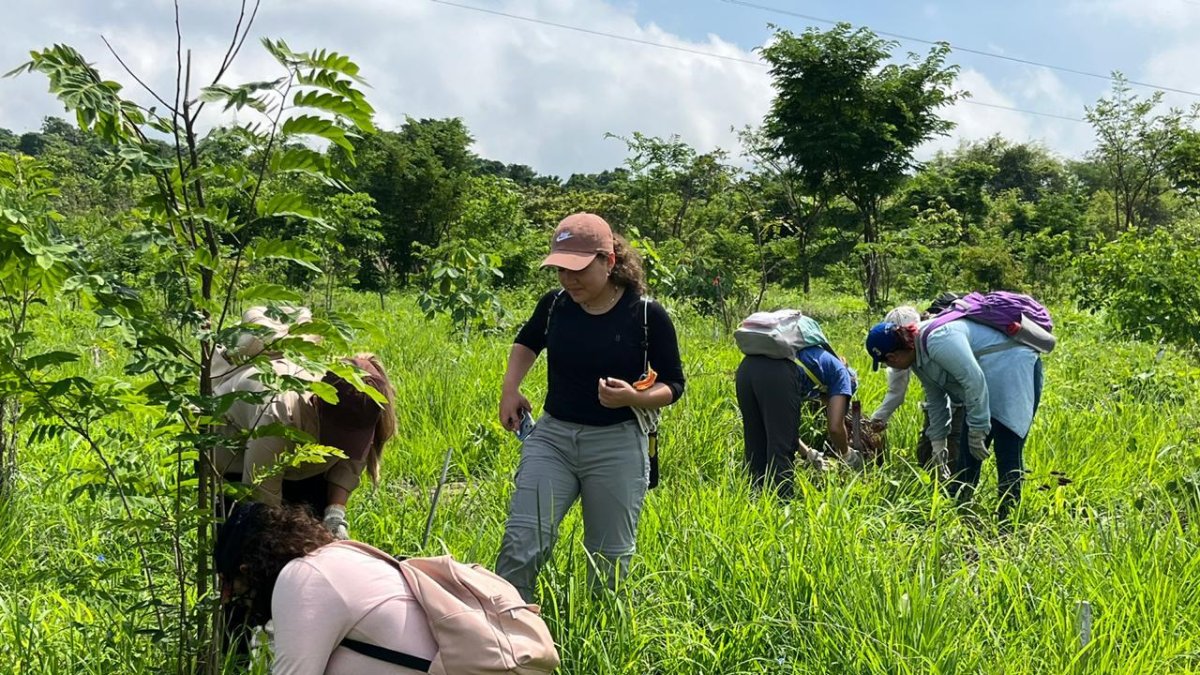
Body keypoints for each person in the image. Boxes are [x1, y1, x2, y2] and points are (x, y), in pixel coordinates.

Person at [496, 212, 685, 601]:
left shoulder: (646, 314)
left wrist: (635, 397)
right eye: (561, 269)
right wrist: (510, 388)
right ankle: (506, 636)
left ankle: (598, 643)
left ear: (609, 262)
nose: (568, 279)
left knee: (608, 563)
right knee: (522, 542)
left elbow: (673, 384)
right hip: (553, 439)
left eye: (578, 269)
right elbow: (527, 341)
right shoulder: (555, 305)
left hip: (617, 444)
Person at [211, 306, 397, 539]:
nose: (341, 446)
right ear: (318, 406)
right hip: (238, 461)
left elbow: (352, 455)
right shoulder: (277, 412)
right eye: (337, 434)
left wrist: (335, 513)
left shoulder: (358, 404)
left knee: (315, 541)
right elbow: (262, 501)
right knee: (251, 547)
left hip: (299, 454)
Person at [215, 502, 437, 674]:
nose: (227, 597)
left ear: (247, 570)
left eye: (229, 583)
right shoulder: (338, 557)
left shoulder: (301, 579)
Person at [864, 312, 1044, 520]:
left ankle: (1008, 520)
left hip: (1013, 368)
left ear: (893, 357)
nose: (891, 368)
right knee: (968, 454)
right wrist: (938, 447)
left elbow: (974, 381)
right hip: (986, 381)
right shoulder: (918, 357)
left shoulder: (939, 341)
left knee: (1007, 447)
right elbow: (937, 401)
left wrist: (978, 429)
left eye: (886, 363)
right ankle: (960, 513)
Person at [735, 322, 862, 499]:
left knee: (756, 442)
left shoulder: (816, 367)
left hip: (746, 370)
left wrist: (809, 453)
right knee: (781, 451)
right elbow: (835, 427)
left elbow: (784, 429)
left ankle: (754, 501)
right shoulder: (842, 375)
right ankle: (781, 507)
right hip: (778, 372)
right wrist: (848, 455)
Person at [868, 302, 966, 474]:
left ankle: (954, 489)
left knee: (953, 444)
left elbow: (965, 378)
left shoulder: (935, 339)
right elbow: (897, 391)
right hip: (937, 396)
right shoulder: (898, 350)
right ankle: (932, 482)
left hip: (964, 395)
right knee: (928, 447)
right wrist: (878, 419)